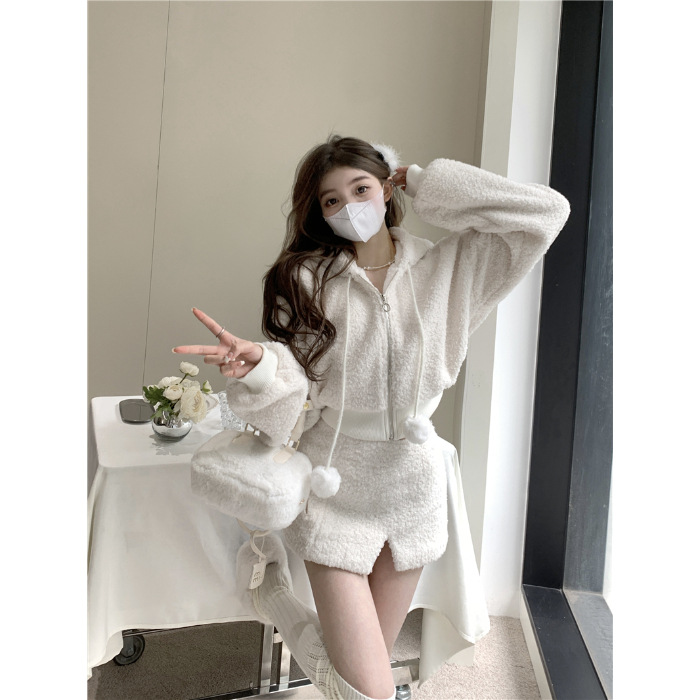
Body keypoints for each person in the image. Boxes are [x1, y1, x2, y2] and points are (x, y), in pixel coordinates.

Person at [174, 135, 570, 700]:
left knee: (357, 684)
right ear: (320, 213)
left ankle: (275, 597)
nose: (349, 207)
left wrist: (429, 183)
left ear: (387, 189)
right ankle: (276, 598)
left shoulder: (450, 267)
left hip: (411, 491)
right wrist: (262, 367)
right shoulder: (304, 281)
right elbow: (297, 390)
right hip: (335, 485)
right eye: (332, 200)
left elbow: (546, 213)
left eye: (361, 189)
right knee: (372, 690)